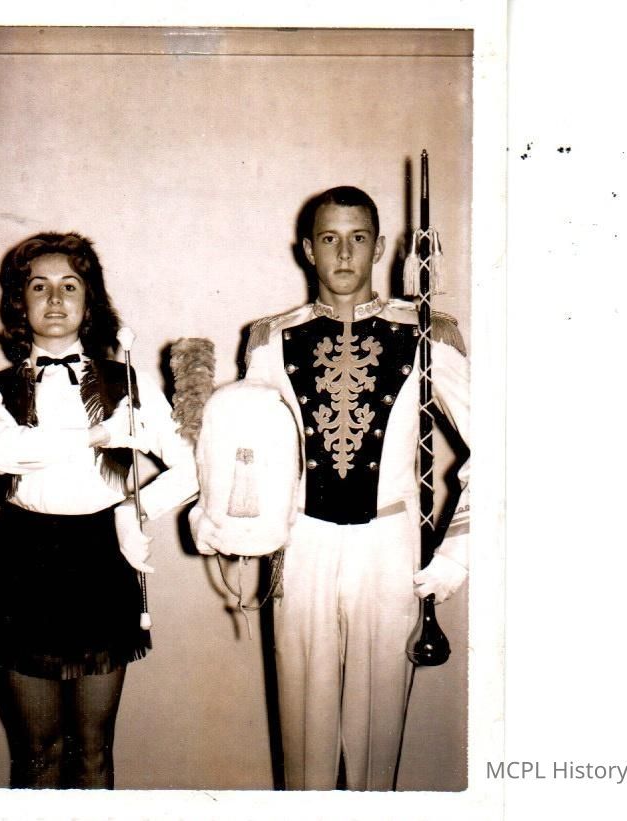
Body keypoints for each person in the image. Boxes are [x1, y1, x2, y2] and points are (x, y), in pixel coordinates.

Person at [193, 186, 470, 790]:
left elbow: (498, 450)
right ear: (307, 249)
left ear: (381, 246)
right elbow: (249, 447)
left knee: (379, 730)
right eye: (329, 238)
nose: (344, 254)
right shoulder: (270, 338)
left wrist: (455, 554)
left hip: (390, 544)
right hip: (303, 542)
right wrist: (232, 529)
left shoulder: (427, 330)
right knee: (302, 727)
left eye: (358, 238)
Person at [0, 231, 198, 788]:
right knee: (37, 751)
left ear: (90, 301)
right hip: (23, 558)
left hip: (101, 555)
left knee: (94, 749)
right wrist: (98, 433)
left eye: (70, 286)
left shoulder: (127, 382)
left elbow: (191, 466)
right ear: (19, 301)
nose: (55, 298)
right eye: (38, 286)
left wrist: (132, 512)